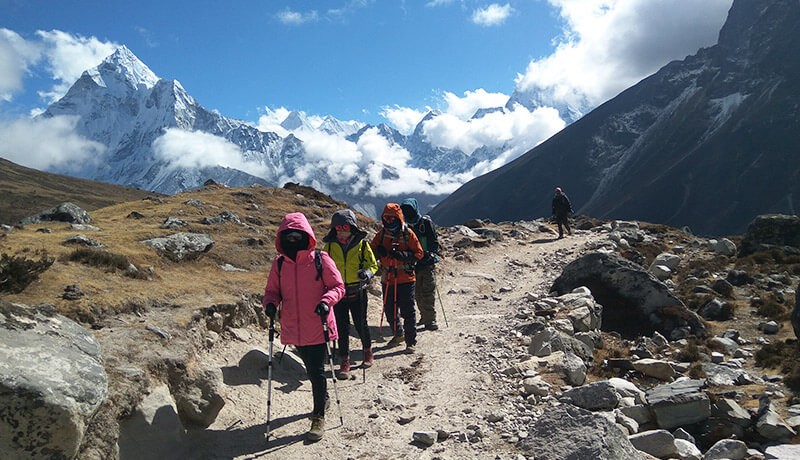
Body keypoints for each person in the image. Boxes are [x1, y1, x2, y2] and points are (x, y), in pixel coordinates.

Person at [262, 212, 345, 442]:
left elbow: (338, 286)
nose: (292, 240)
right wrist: (270, 304)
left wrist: (326, 301)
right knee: (310, 369)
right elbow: (272, 291)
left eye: (296, 235)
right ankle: (323, 398)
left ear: (305, 235)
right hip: (293, 327)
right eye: (288, 236)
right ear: (282, 237)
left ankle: (318, 416)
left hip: (318, 324)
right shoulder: (279, 264)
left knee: (317, 371)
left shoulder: (321, 259)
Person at [321, 209, 379, 380]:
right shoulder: (330, 246)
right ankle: (344, 362)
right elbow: (323, 265)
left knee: (361, 324)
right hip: (338, 292)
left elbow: (373, 264)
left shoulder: (362, 244)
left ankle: (367, 352)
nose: (341, 232)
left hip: (357, 289)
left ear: (352, 228)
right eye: (338, 228)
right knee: (342, 327)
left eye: (345, 228)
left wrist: (367, 274)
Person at [370, 203, 424, 353]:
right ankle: (398, 334)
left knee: (408, 311)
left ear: (398, 218)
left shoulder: (408, 234)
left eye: (392, 218)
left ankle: (410, 341)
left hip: (406, 278)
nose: (388, 221)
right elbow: (371, 251)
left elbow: (419, 254)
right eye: (386, 218)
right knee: (390, 310)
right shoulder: (381, 235)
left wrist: (404, 256)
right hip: (388, 277)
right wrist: (379, 252)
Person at [400, 198, 441, 331]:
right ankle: (425, 315)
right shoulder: (404, 227)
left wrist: (430, 254)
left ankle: (430, 320)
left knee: (428, 292)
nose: (407, 213)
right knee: (417, 294)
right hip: (413, 264)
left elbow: (434, 242)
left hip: (426, 263)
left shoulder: (425, 223)